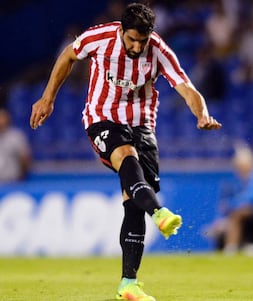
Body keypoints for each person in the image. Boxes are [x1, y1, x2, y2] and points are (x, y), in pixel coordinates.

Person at [29, 3, 221, 301]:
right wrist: (47, 97)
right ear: (121, 30)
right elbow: (69, 54)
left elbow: (186, 88)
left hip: (142, 125)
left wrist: (202, 114)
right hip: (101, 119)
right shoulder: (100, 37)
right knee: (126, 158)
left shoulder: (158, 50)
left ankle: (128, 284)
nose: (136, 46)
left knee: (133, 203)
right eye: (132, 39)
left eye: (141, 41)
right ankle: (158, 211)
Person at [206, 143, 253, 254]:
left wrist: (233, 205)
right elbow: (225, 202)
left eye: (242, 165)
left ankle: (230, 249)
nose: (239, 168)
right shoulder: (235, 181)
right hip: (239, 215)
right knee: (228, 221)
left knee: (238, 214)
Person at [0, 108, 31, 183]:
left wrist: (21, 177)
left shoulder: (16, 137)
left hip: (13, 182)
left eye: (2, 118)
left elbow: (25, 159)